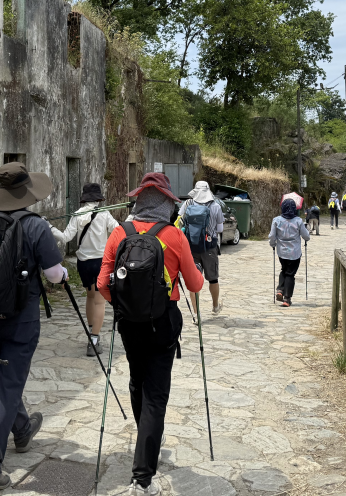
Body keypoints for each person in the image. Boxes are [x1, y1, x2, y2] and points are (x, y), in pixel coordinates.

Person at [99, 172, 205, 495]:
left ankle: (146, 438)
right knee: (156, 397)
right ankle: (142, 477)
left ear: (139, 202)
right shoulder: (174, 236)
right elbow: (196, 284)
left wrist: (125, 305)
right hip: (163, 323)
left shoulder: (120, 233)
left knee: (137, 381)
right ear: (167, 204)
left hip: (129, 325)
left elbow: (103, 284)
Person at [0, 162, 67, 491]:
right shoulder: (35, 226)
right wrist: (64, 275)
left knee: (4, 378)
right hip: (21, 316)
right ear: (26, 193)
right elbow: (55, 275)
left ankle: (23, 429)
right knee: (8, 387)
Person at [50, 182, 119, 356]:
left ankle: (91, 332)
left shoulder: (78, 214)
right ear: (98, 198)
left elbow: (65, 237)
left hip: (84, 263)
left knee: (90, 296)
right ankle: (94, 340)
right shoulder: (104, 213)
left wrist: (49, 227)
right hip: (101, 262)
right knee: (100, 300)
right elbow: (118, 231)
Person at [177, 180, 225, 316]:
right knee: (213, 279)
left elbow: (180, 221)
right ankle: (215, 306)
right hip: (209, 247)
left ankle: (196, 313)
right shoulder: (215, 206)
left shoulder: (188, 204)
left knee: (193, 279)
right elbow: (220, 228)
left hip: (191, 247)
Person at [269, 198, 310, 307]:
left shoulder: (276, 220)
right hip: (294, 252)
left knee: (284, 269)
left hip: (281, 251)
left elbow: (272, 236)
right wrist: (307, 237)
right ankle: (287, 299)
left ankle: (280, 290)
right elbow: (306, 236)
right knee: (290, 274)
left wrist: (272, 244)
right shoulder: (298, 221)